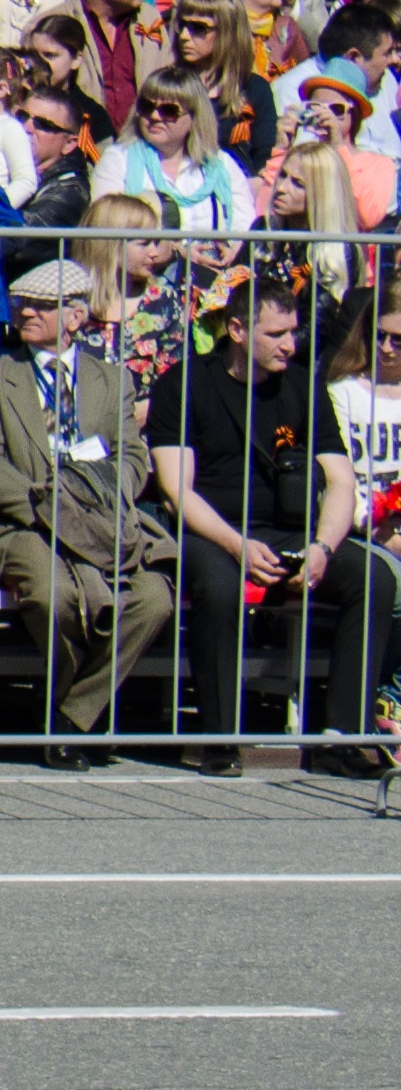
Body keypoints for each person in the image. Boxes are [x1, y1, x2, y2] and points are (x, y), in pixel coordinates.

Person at [151, 278, 399, 774]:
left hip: (287, 528)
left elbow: (340, 480)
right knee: (219, 587)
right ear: (238, 329)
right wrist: (237, 545)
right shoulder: (186, 382)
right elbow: (178, 491)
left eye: (294, 331)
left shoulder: (304, 384)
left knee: (373, 578)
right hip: (211, 529)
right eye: (277, 333)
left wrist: (324, 548)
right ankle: (220, 739)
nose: (291, 344)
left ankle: (339, 739)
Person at [0, 257, 170, 757]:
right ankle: (80, 720)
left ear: (74, 318)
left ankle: (70, 715)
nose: (25, 314)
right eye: (21, 305)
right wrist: (44, 507)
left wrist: (104, 494)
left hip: (103, 521)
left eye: (41, 307)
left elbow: (133, 454)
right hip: (30, 523)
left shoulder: (112, 380)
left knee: (154, 599)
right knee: (54, 596)